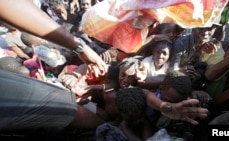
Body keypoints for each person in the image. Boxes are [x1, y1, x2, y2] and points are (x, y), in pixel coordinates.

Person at [0, 0, 208, 131]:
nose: (125, 80)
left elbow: (146, 89)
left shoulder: (139, 82)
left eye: (150, 24)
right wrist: (78, 74)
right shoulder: (115, 70)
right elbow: (95, 68)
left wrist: (163, 105)